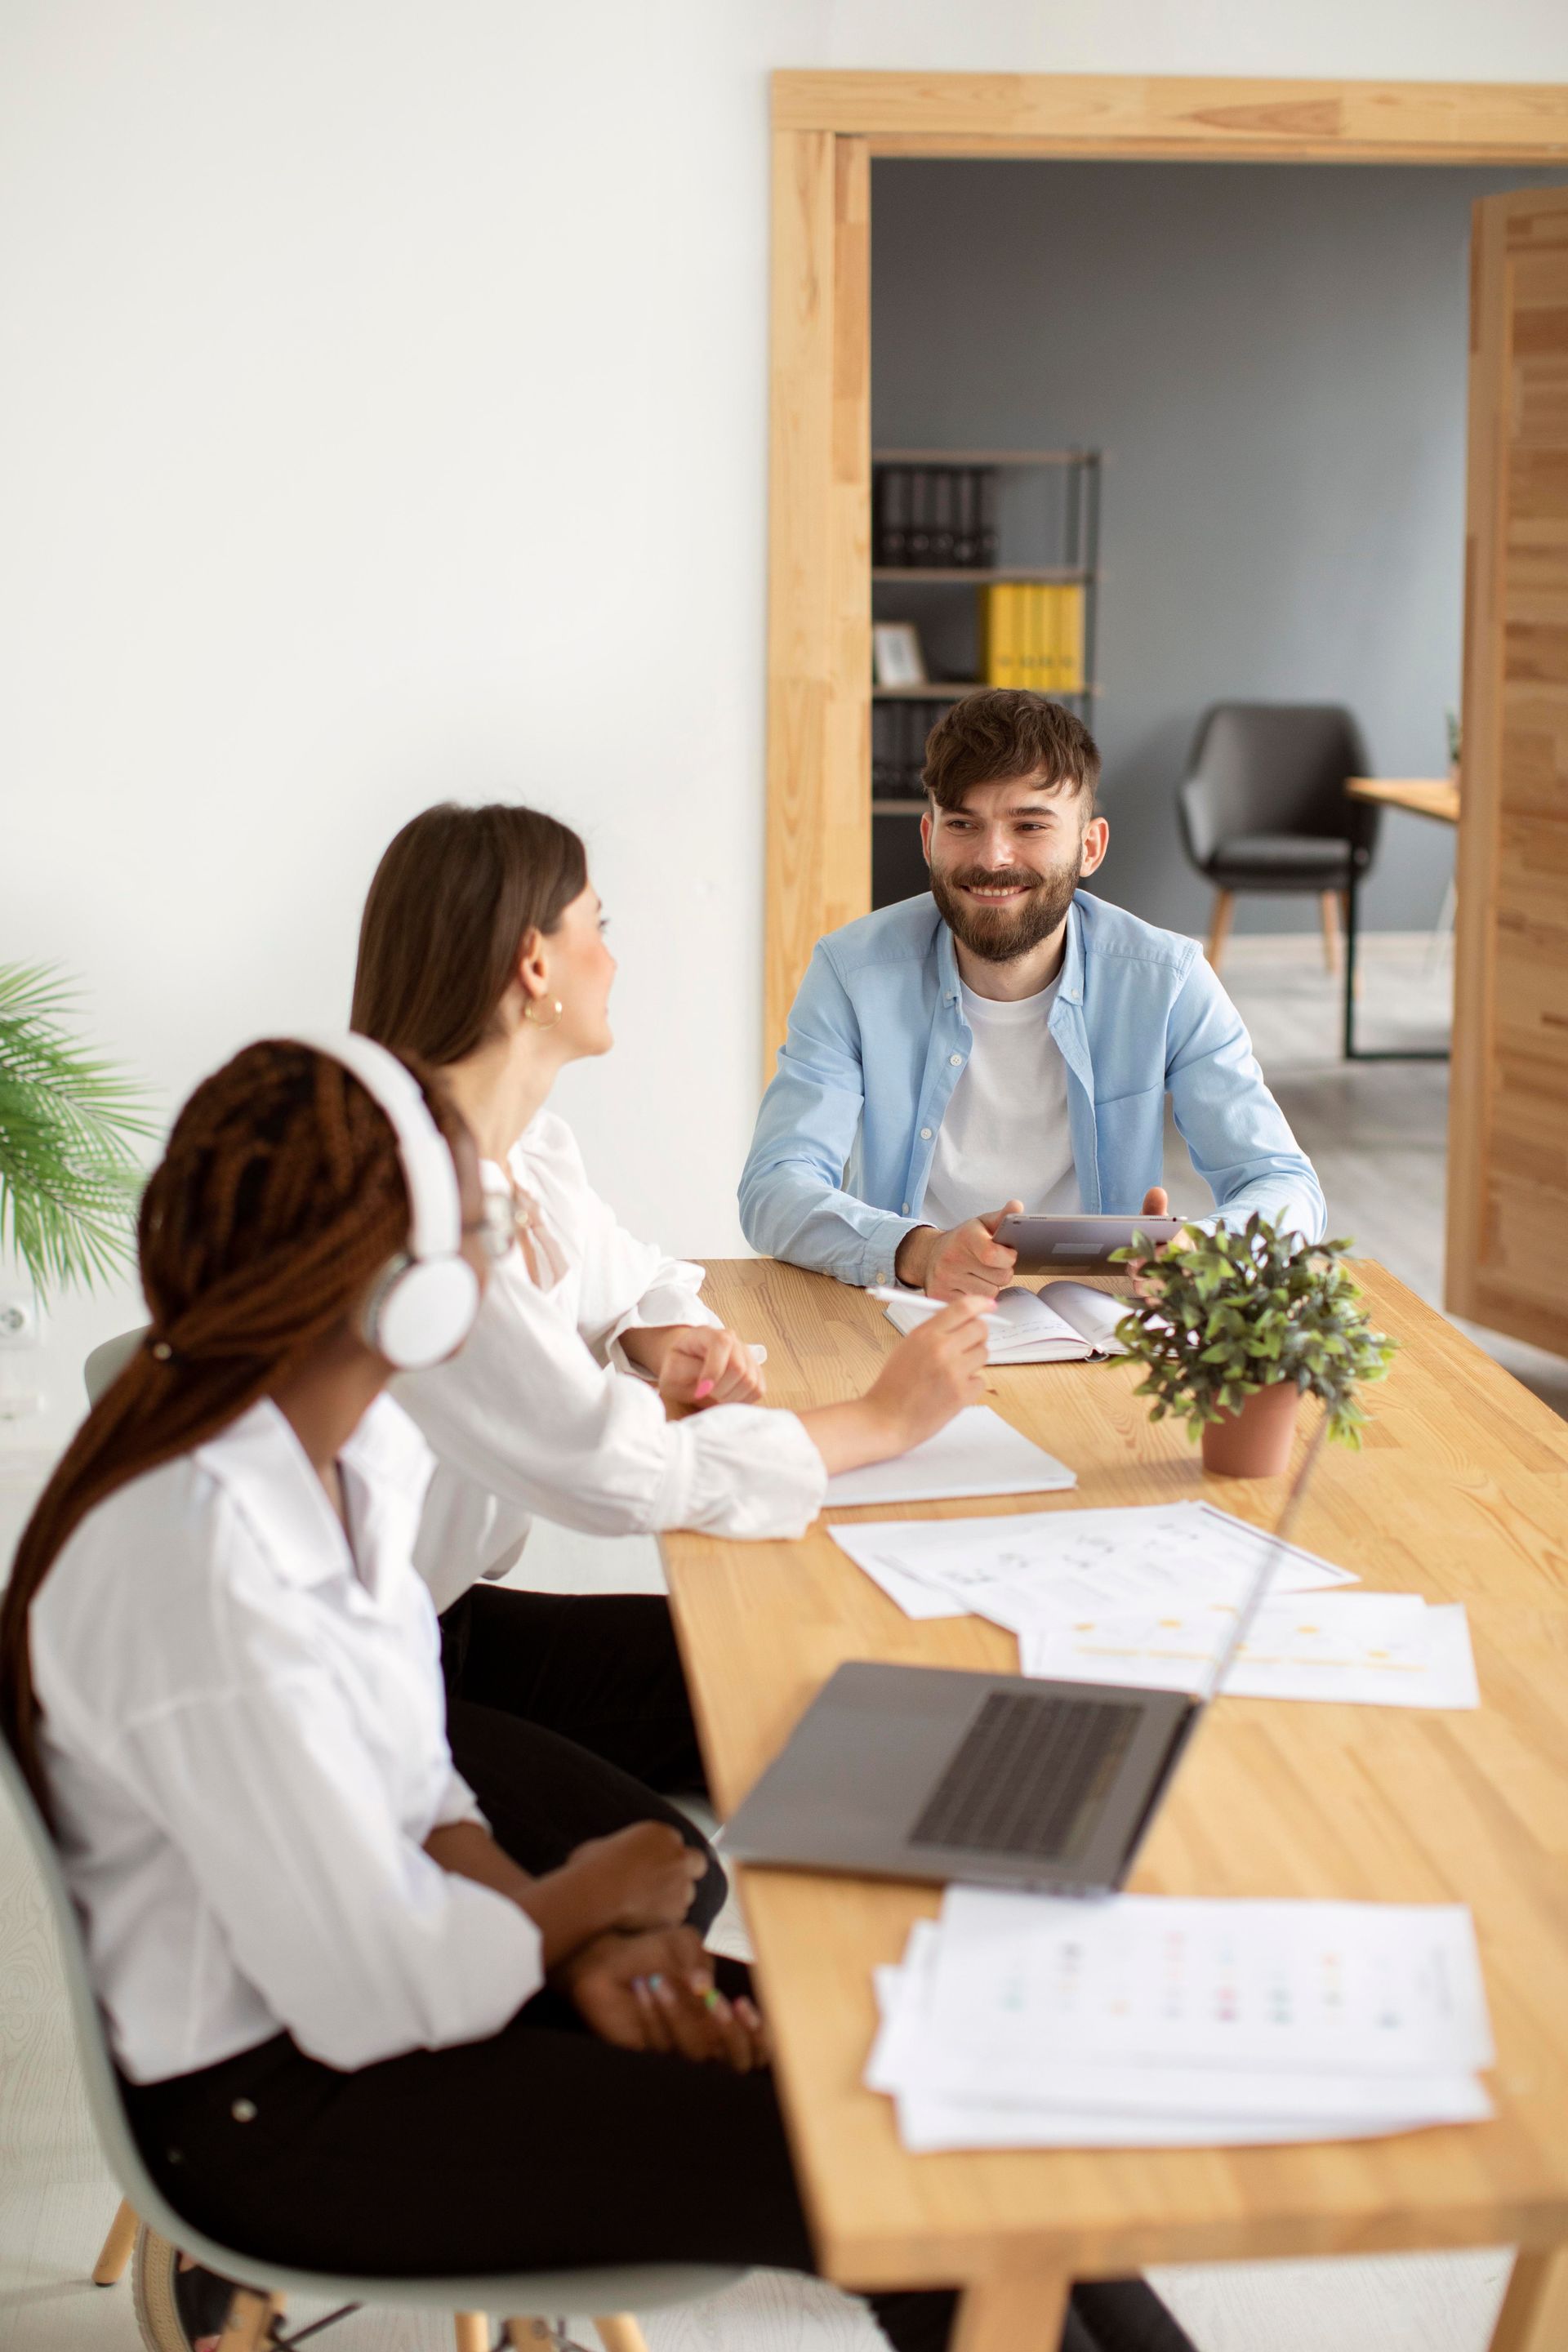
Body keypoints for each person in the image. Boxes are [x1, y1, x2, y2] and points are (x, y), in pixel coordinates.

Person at [0, 1035, 1193, 2352]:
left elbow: (418, 1783)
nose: (505, 1261)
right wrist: (582, 1902)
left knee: (938, 2088)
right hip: (290, 2112)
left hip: (410, 2002)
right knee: (883, 2171)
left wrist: (584, 1940)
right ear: (393, 1291)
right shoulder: (201, 1560)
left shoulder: (333, 1459)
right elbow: (367, 1990)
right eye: (485, 1230)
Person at [350, 801, 988, 1816]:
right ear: (535, 966)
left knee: (765, 1686)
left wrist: (660, 1339)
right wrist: (880, 1420)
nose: (613, 958)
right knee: (666, 1870)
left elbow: (630, 1274)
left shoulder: (530, 1153)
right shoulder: (418, 1214)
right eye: (598, 926)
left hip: (439, 1619)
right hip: (348, 1679)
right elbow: (617, 1472)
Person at [739, 689, 1325, 1301]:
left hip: (1103, 1315)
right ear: (928, 838)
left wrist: (1205, 1254)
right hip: (911, 1307)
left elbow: (1283, 1183)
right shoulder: (852, 972)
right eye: (964, 824)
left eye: (1030, 826)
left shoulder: (1167, 979)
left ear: (1090, 846)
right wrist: (920, 1250)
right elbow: (774, 1187)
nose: (993, 857)